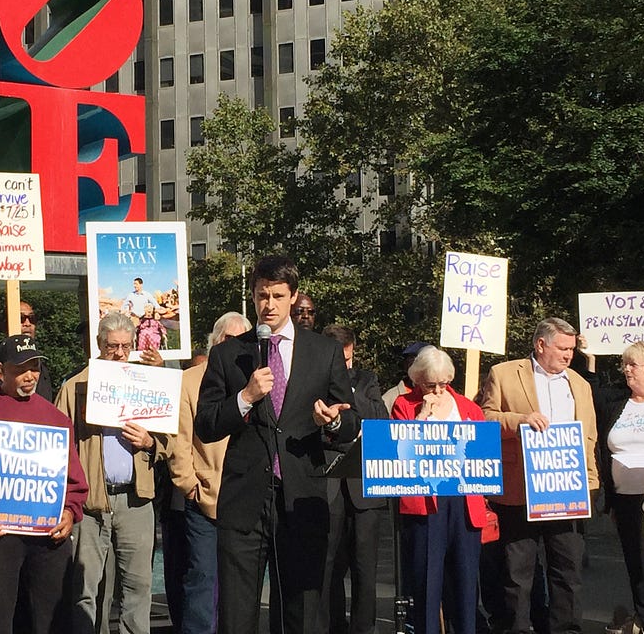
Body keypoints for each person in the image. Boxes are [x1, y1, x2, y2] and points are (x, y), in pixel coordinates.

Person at [195, 255, 358, 634]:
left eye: (277, 296)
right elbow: (205, 424)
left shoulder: (324, 351)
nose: (268, 304)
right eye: (261, 295)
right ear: (252, 296)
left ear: (294, 297)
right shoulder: (228, 353)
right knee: (237, 613)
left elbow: (351, 420)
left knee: (301, 612)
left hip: (301, 497)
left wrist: (332, 420)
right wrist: (245, 398)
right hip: (245, 499)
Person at [0, 334, 88, 634]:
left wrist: (69, 512)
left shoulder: (56, 418)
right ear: (1, 372)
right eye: (21, 368)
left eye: (35, 367)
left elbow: (73, 479)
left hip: (48, 536)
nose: (30, 375)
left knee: (51, 620)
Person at [478, 317, 599, 634]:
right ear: (540, 344)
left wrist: (591, 481)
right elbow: (484, 419)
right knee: (518, 572)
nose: (568, 355)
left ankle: (567, 629)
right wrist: (519, 420)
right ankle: (517, 627)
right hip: (520, 489)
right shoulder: (505, 373)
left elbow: (589, 438)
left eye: (571, 349)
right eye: (562, 348)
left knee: (568, 570)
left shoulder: (580, 384)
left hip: (567, 489)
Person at [55, 312, 170, 634]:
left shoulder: (147, 384)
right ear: (98, 345)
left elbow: (170, 443)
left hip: (135, 500)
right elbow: (58, 446)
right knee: (86, 591)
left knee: (138, 589)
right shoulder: (75, 387)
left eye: (125, 346)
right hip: (90, 503)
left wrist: (150, 442)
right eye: (112, 346)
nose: (119, 353)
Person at [392, 346, 488, 634]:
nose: (436, 390)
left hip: (463, 499)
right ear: (417, 380)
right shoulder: (404, 405)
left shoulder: (469, 408)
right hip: (426, 501)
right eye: (429, 385)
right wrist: (421, 417)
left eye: (443, 384)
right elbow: (399, 452)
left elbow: (481, 452)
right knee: (426, 581)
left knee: (465, 581)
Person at [168, 312, 251, 634]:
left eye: (241, 340)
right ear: (215, 341)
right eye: (228, 339)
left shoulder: (256, 381)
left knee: (241, 584)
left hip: (245, 496)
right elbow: (180, 441)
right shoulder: (189, 381)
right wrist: (189, 485)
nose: (234, 346)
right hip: (203, 498)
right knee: (201, 578)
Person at [595, 341, 644, 634]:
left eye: (633, 364)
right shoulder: (617, 402)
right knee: (639, 569)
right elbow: (592, 398)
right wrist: (590, 361)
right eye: (625, 364)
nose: (626, 369)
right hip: (626, 500)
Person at [322, 325, 388, 634]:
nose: (345, 366)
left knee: (365, 564)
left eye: (348, 359)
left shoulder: (366, 380)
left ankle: (365, 626)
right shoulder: (313, 379)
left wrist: (346, 391)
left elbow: (379, 416)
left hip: (363, 483)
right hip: (329, 479)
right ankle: (333, 623)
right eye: (339, 360)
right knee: (329, 564)